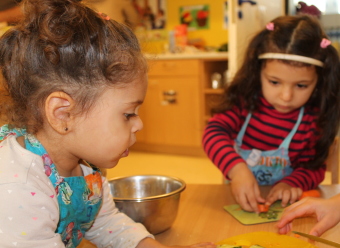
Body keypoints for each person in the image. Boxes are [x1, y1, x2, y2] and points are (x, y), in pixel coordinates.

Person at [0, 0, 216, 247]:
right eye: (128, 114)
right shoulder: (18, 187)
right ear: (62, 114)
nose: (139, 125)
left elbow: (106, 224)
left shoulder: (86, 165)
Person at [202, 15, 340, 213]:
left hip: (283, 207)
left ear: (318, 82)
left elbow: (313, 167)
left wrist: (291, 184)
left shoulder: (313, 120)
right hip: (237, 202)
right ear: (258, 72)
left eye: (301, 85)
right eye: (274, 82)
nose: (286, 96)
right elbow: (212, 133)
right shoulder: (245, 102)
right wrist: (236, 169)